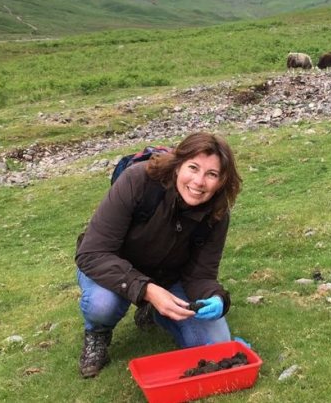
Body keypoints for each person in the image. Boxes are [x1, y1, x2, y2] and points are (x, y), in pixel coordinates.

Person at [75, 132, 242, 378]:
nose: (199, 182)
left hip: (167, 277)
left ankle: (156, 312)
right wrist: (148, 291)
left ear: (222, 181)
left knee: (217, 344)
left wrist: (217, 299)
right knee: (103, 304)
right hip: (111, 268)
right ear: (177, 165)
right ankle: (98, 334)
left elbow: (201, 275)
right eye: (193, 168)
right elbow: (92, 253)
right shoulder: (137, 180)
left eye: (212, 174)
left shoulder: (217, 213)